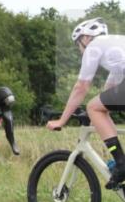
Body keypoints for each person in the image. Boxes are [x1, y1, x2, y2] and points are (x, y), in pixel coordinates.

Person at [46, 17, 125, 189]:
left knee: (92, 106)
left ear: (86, 38)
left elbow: (81, 87)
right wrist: (95, 114)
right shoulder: (115, 51)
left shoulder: (94, 46)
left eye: (78, 45)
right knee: (97, 109)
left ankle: (121, 163)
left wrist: (62, 120)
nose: (80, 50)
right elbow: (108, 94)